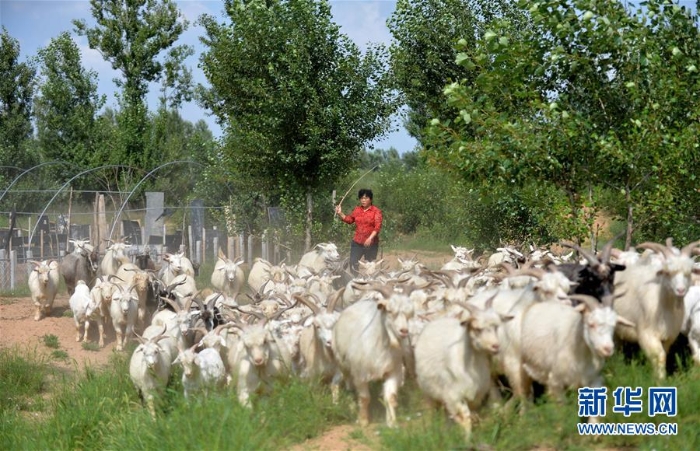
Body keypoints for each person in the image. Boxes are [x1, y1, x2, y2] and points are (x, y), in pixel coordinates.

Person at [335, 188, 383, 273]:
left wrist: (370, 238)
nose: (363, 200)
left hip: (371, 244)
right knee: (353, 263)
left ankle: (369, 283)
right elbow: (349, 220)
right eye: (361, 198)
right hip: (357, 242)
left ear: (370, 199)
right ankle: (355, 281)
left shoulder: (376, 211)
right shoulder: (357, 210)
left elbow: (377, 227)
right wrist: (340, 213)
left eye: (366, 198)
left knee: (370, 266)